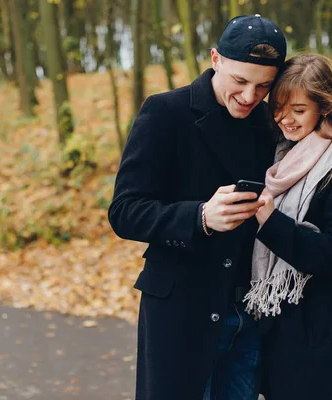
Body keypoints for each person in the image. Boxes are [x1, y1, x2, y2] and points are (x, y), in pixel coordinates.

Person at [107, 15, 287, 400]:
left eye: (264, 87)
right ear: (215, 59)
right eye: (240, 81)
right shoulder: (165, 113)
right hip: (181, 311)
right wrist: (200, 216)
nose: (250, 96)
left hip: (250, 313)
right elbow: (124, 210)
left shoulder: (273, 124)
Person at [244, 54, 332, 399]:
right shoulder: (280, 157)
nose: (285, 119)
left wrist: (272, 222)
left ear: (323, 107)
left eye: (299, 110)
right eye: (278, 107)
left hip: (325, 334)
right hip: (283, 330)